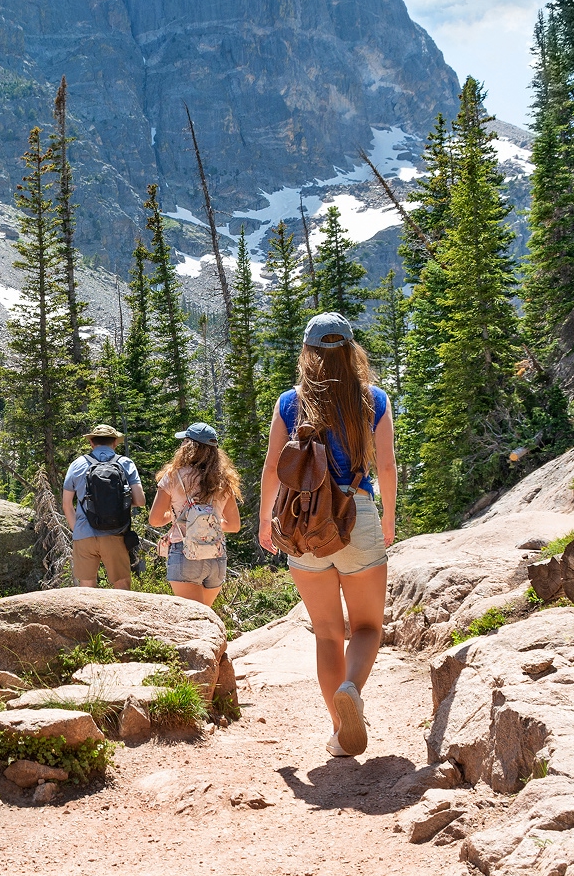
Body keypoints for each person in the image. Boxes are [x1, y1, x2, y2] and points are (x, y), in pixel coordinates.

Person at [259, 311, 397, 759]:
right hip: (356, 513)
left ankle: (340, 732)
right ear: (351, 351)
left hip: (304, 522)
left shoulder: (288, 402)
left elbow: (271, 469)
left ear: (308, 352)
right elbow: (387, 468)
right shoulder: (372, 399)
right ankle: (351, 689)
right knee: (367, 626)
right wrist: (388, 520)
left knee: (325, 632)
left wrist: (266, 521)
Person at [147, 422, 242, 606]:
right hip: (216, 556)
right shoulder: (224, 480)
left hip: (184, 553)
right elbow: (233, 525)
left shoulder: (174, 476)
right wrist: (207, 523)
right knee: (206, 616)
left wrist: (179, 518)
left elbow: (155, 520)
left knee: (193, 622)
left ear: (187, 447)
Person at [62, 424, 146, 589]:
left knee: (86, 588)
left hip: (84, 534)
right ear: (115, 442)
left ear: (91, 442)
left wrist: (78, 530)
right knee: (121, 585)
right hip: (115, 533)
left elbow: (67, 504)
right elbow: (140, 500)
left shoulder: (77, 464)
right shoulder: (125, 463)